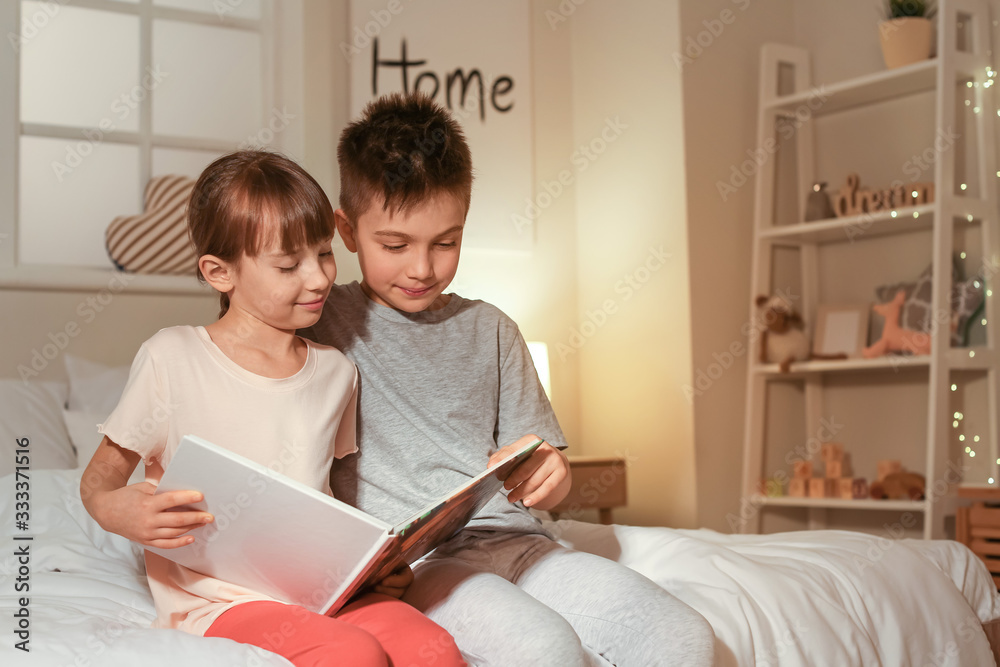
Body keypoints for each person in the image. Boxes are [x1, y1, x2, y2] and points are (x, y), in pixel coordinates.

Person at [300, 93, 716, 666]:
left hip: (521, 542)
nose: (423, 268)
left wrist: (553, 473)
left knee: (682, 636)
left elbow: (545, 472)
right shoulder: (321, 322)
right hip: (419, 566)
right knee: (546, 649)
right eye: (395, 246)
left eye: (446, 242)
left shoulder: (492, 329)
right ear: (346, 231)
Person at [79, 150, 465, 667]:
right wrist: (115, 509)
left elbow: (322, 500)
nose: (319, 279)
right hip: (216, 602)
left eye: (325, 254)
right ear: (220, 273)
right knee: (353, 656)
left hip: (323, 590)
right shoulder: (172, 357)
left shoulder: (336, 372)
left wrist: (374, 566)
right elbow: (99, 482)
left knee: (434, 647)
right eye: (288, 265)